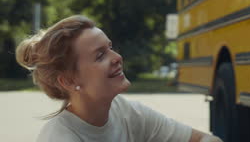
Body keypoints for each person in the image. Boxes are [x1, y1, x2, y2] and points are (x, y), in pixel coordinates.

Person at [16, 15, 222, 142]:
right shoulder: (60, 137)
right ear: (68, 81)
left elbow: (206, 139)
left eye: (110, 48)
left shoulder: (126, 112)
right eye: (100, 56)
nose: (117, 58)